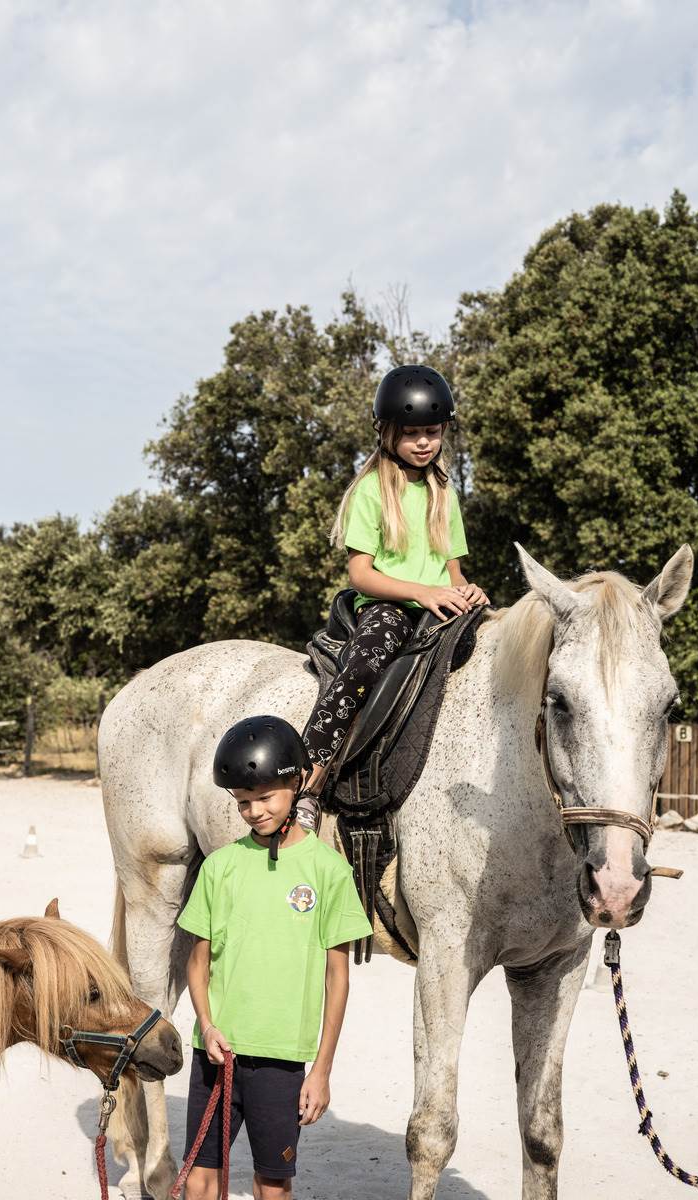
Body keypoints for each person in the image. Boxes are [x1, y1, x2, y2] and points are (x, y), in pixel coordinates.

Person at [177, 715, 372, 1200]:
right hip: (215, 1052)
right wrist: (207, 1023)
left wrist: (321, 1070)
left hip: (283, 1059)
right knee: (200, 1179)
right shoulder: (220, 866)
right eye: (243, 802)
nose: (254, 812)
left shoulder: (329, 870)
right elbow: (197, 962)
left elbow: (337, 978)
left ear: (297, 783)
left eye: (265, 798)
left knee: (273, 1181)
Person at [297, 364, 489, 830]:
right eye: (411, 434)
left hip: (439, 605)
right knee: (362, 667)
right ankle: (309, 778)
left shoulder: (445, 493)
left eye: (431, 431)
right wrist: (421, 593)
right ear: (387, 433)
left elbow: (453, 571)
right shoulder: (370, 491)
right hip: (387, 606)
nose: (423, 442)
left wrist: (469, 591)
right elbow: (360, 574)